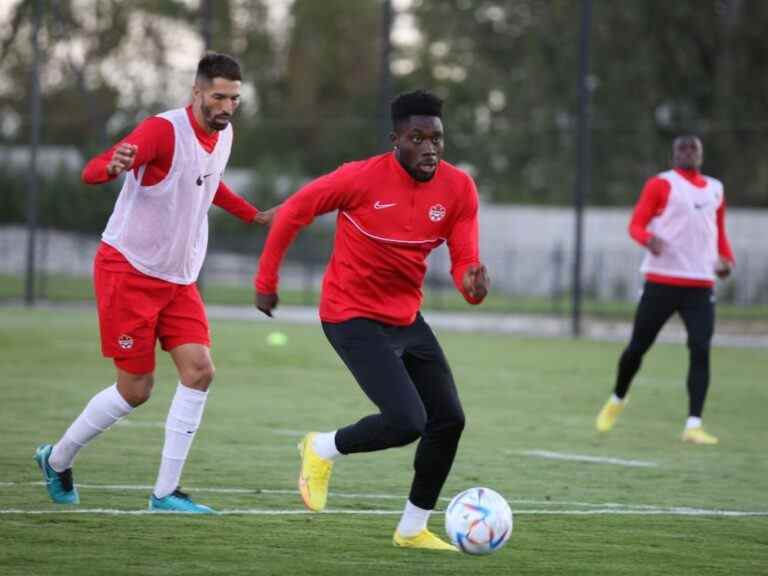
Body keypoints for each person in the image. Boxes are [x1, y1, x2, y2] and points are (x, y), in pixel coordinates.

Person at [34, 52, 276, 513]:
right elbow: (94, 169)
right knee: (135, 390)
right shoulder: (162, 130)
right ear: (197, 92)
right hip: (129, 270)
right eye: (219, 97)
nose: (226, 106)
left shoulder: (224, 135)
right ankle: (57, 458)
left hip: (179, 278)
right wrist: (112, 166)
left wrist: (253, 215)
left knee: (200, 371)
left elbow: (208, 183)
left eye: (234, 99)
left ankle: (165, 493)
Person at [254, 90, 489, 551]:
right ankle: (321, 449)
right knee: (406, 421)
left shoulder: (459, 189)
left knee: (448, 420)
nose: (429, 148)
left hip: (404, 316)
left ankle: (412, 529)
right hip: (349, 313)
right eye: (417, 138)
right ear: (395, 140)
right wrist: (267, 279)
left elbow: (465, 262)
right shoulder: (359, 179)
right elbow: (294, 212)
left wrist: (472, 285)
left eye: (437, 138)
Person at [595, 135, 734, 445]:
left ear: (701, 154)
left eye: (693, 148)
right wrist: (648, 240)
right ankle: (618, 398)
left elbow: (719, 233)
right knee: (637, 348)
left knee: (700, 349)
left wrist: (727, 260)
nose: (687, 152)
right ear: (673, 155)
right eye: (681, 148)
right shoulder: (661, 184)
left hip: (700, 285)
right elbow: (636, 224)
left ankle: (693, 425)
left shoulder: (716, 189)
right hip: (661, 281)